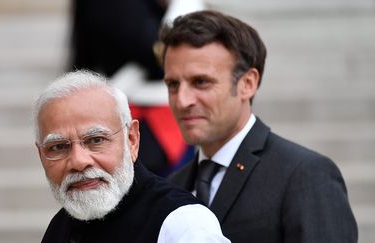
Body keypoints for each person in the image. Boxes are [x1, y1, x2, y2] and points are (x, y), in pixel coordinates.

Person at [159, 10, 358, 243]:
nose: (182, 100)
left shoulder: (305, 175)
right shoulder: (172, 186)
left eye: (201, 82)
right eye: (173, 84)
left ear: (248, 83)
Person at [33, 70, 230, 243]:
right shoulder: (60, 227)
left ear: (132, 139)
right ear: (41, 155)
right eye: (58, 147)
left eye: (95, 140)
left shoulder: (182, 226)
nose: (78, 161)